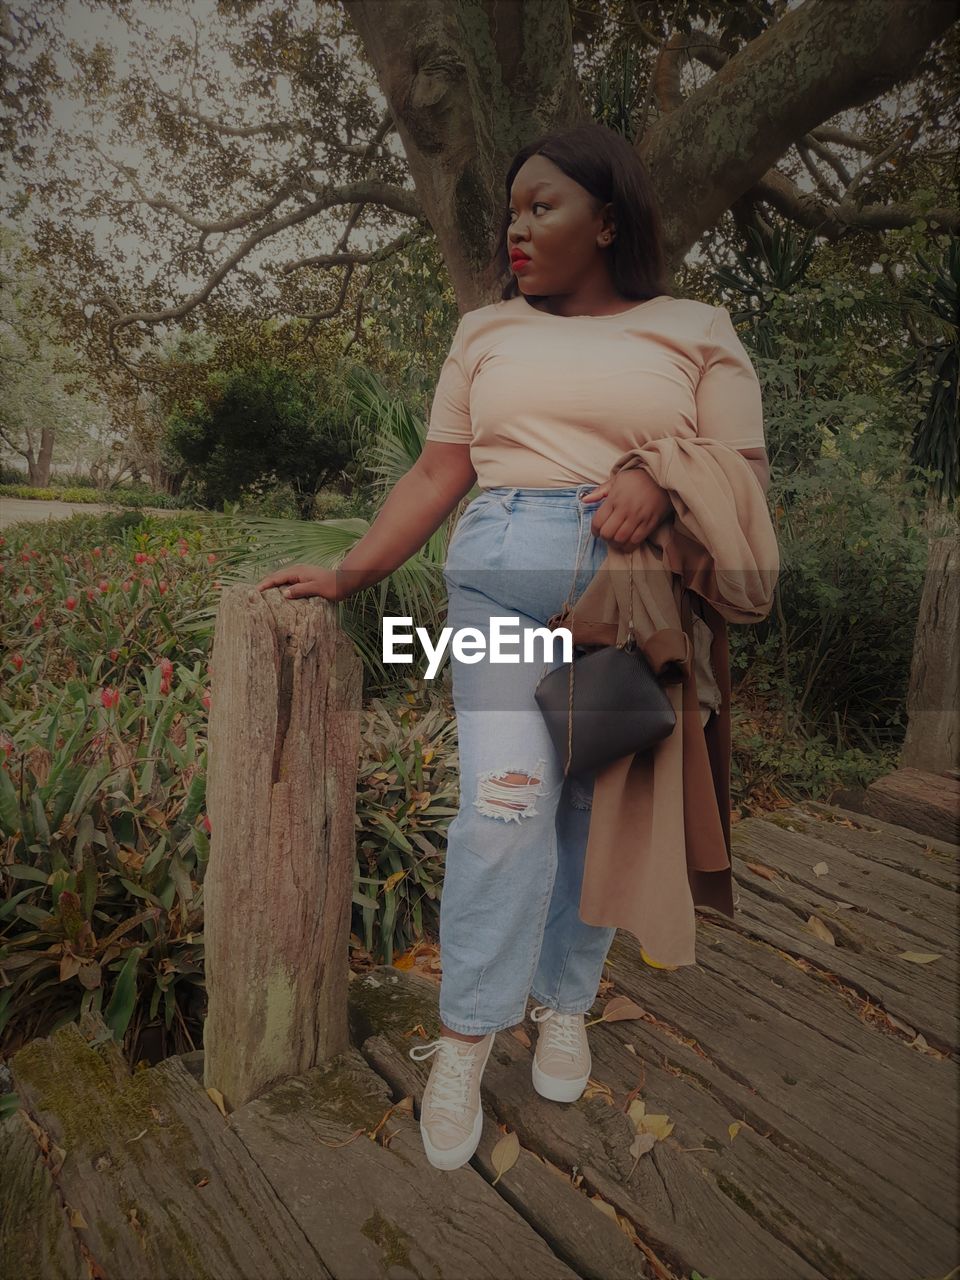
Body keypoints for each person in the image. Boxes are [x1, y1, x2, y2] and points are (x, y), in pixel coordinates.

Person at [256, 122, 770, 1173]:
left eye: (543, 206)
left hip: (634, 592)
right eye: (511, 210)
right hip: (499, 564)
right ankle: (464, 1036)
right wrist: (351, 569)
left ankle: (565, 996)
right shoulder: (484, 331)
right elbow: (440, 472)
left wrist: (659, 475)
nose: (517, 227)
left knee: (596, 801)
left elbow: (743, 469)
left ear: (609, 218)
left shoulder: (698, 326)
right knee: (507, 803)